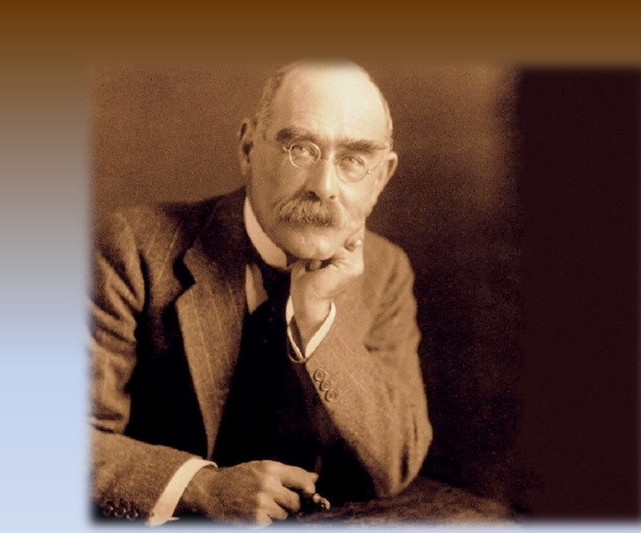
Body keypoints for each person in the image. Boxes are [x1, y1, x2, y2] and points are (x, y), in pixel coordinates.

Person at [90, 60, 432, 525]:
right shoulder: (135, 248)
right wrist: (202, 488)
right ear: (248, 147)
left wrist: (316, 317)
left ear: (381, 177)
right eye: (300, 149)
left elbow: (397, 464)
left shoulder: (386, 270)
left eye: (353, 160)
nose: (324, 187)